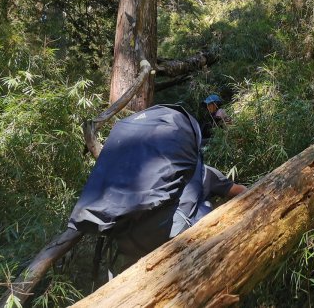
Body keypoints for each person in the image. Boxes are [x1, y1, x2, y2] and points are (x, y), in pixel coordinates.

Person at [68, 104, 246, 271]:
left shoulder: (133, 177)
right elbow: (242, 193)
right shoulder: (204, 173)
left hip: (132, 246)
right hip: (181, 246)